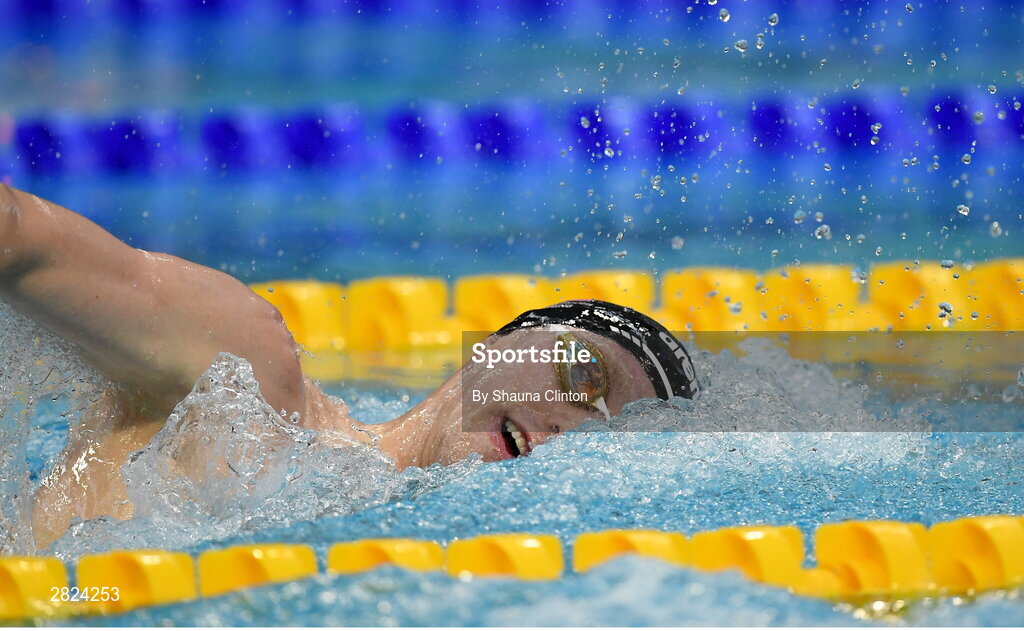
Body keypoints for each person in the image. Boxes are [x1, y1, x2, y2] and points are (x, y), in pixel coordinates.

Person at [0, 183, 699, 547]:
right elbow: (18, 236)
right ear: (498, 347)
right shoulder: (241, 377)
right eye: (586, 378)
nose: (570, 429)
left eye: (605, 439)